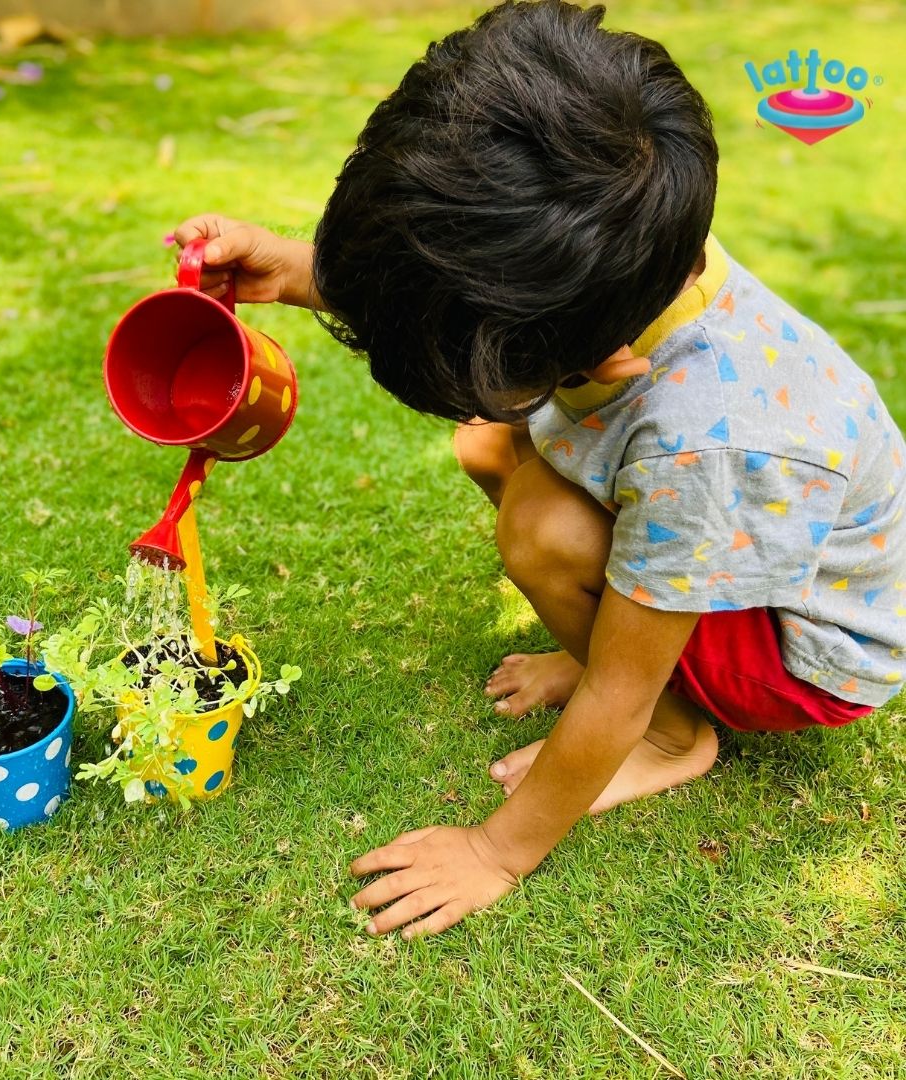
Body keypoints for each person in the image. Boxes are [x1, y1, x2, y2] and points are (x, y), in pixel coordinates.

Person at [173, 0, 906, 939]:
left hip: (801, 650)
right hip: (735, 545)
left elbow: (620, 686)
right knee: (490, 441)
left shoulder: (707, 445)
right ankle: (610, 631)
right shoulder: (633, 237)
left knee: (542, 529)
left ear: (599, 368)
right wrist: (306, 267)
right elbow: (480, 290)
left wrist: (496, 850)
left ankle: (677, 741)